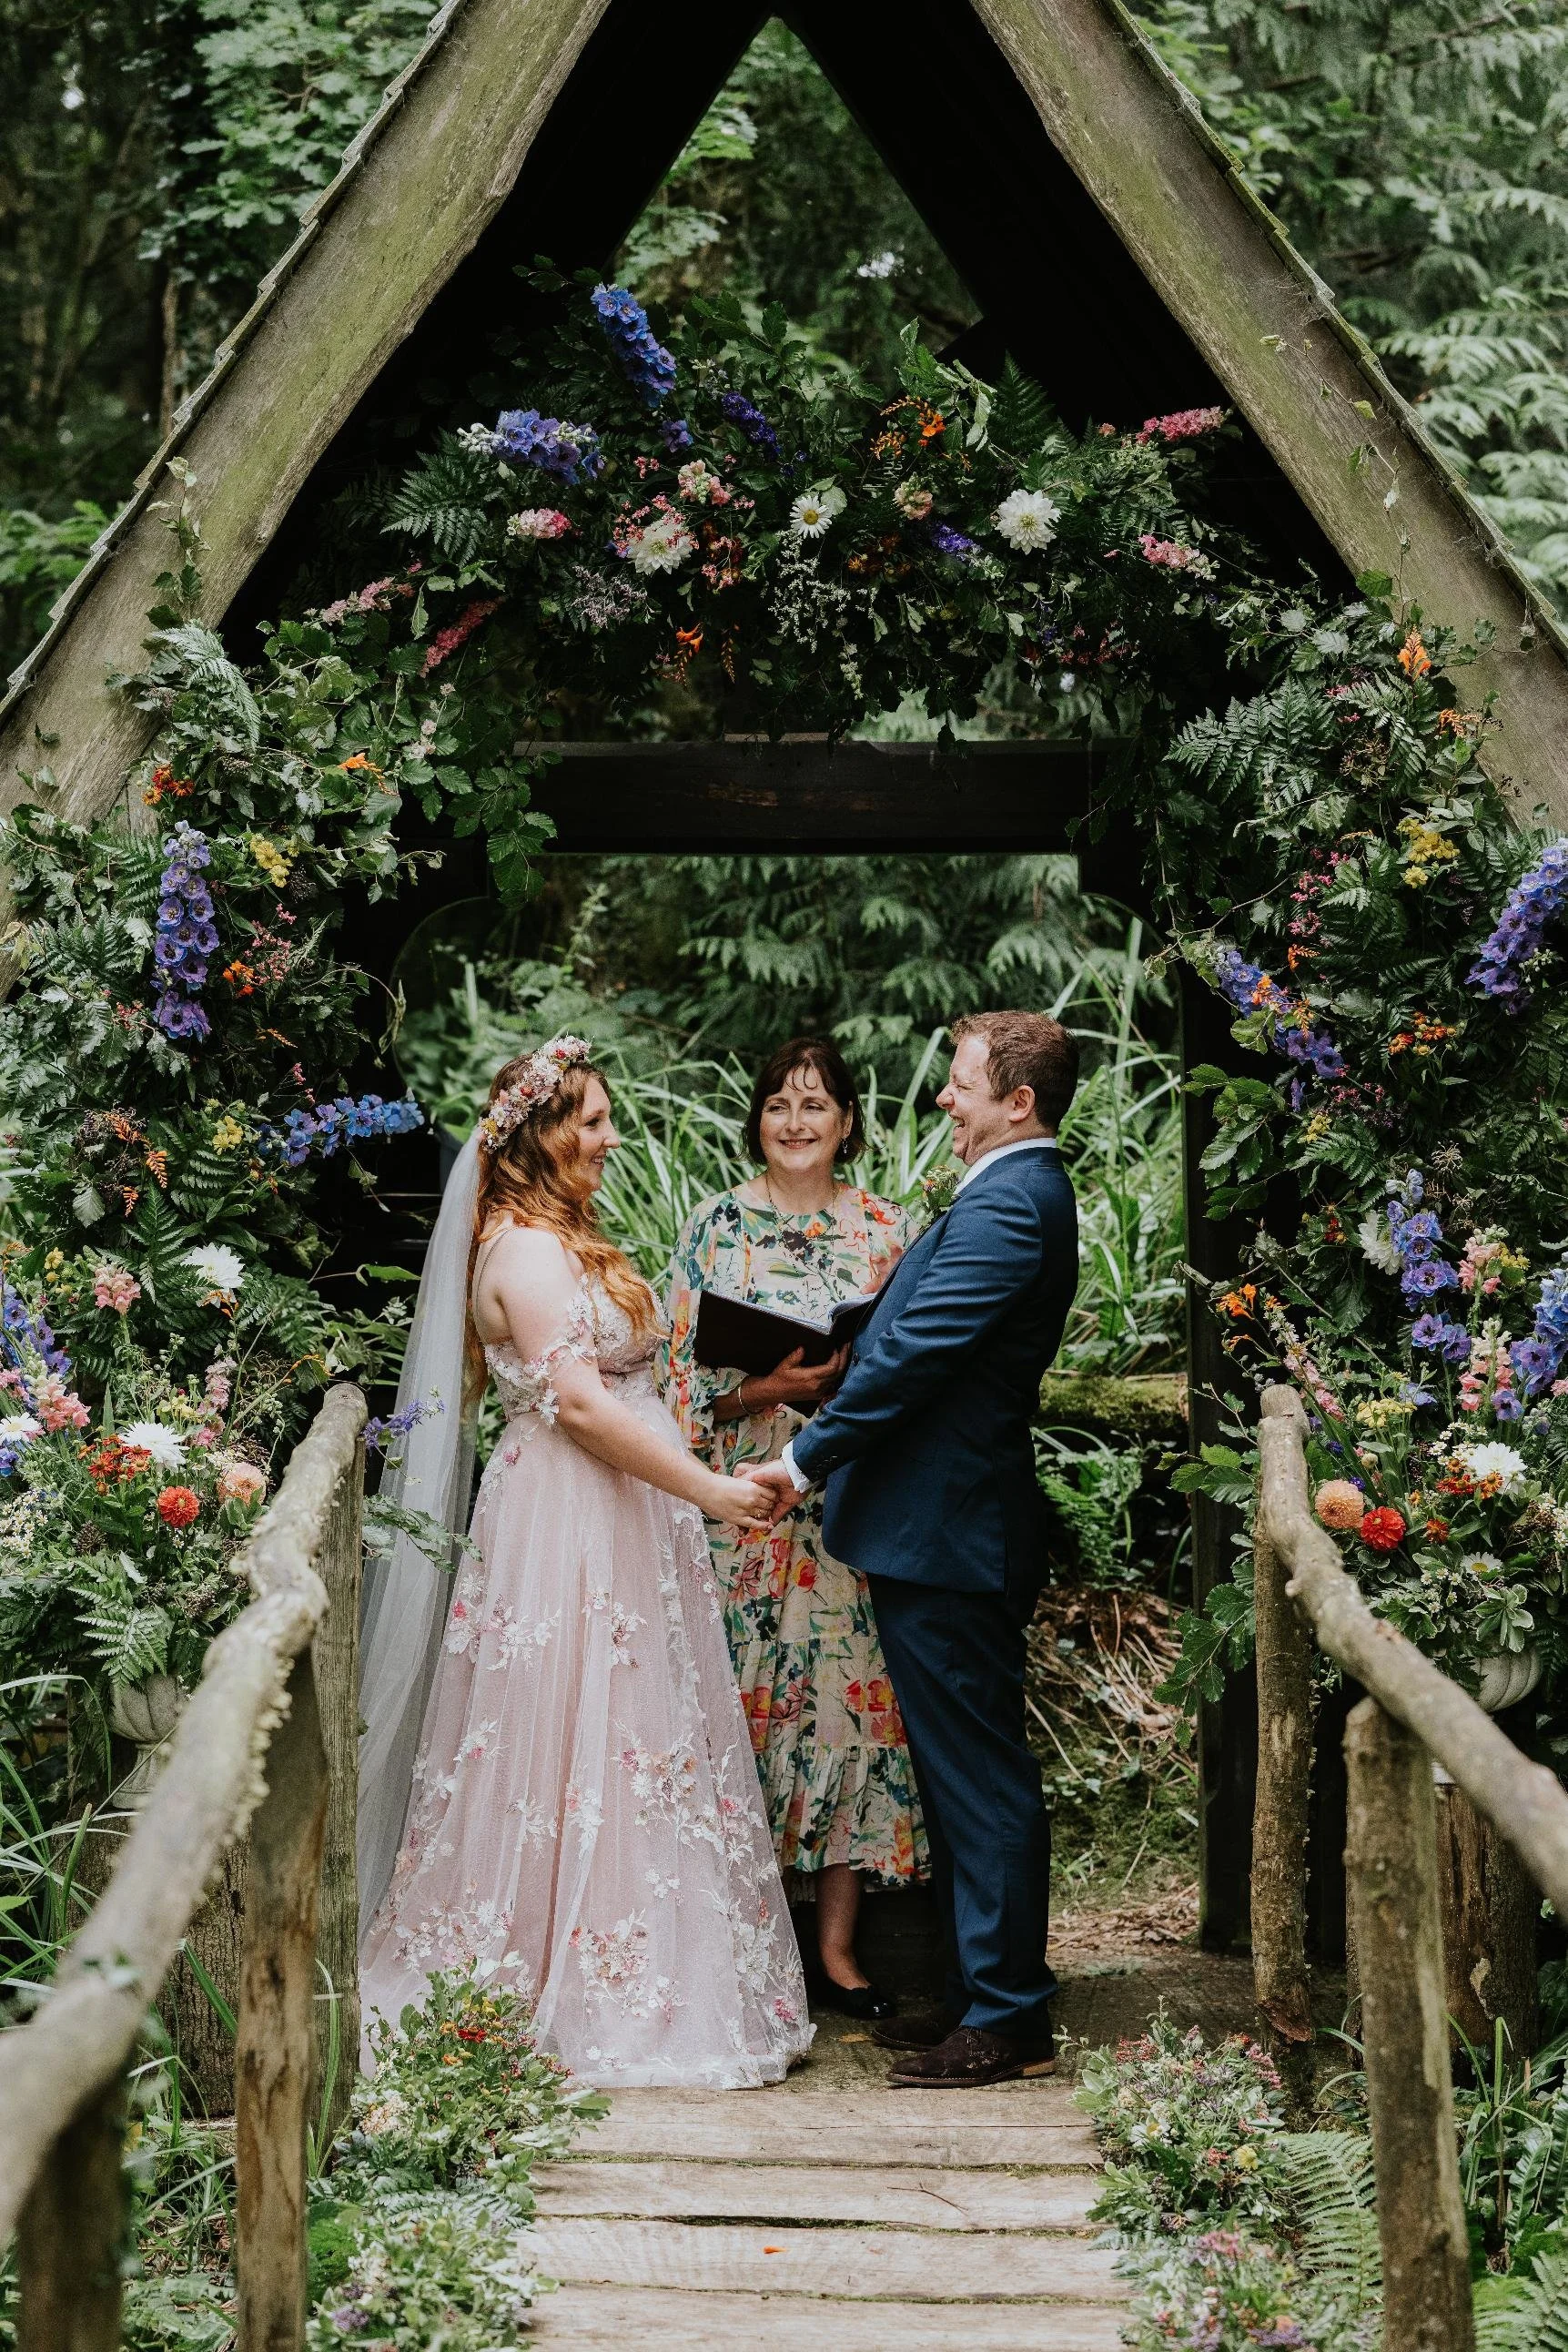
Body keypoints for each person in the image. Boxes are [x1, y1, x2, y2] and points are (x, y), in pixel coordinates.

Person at [358, 1037, 812, 2089]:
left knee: (633, 1740)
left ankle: (639, 1961)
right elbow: (579, 1404)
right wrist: (707, 1489)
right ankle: (558, 1978)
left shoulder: (563, 1237)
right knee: (568, 1734)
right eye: (593, 1121)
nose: (611, 1138)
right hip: (564, 1521)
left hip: (621, 1516)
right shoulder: (521, 1251)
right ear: (542, 1135)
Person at [747, 1010, 1079, 2088]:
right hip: (936, 1525)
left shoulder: (1015, 1202)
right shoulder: (1004, 1191)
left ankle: (1010, 2015)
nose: (943, 1096)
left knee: (979, 1776)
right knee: (954, 1773)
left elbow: (925, 1354)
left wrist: (802, 1460)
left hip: (950, 1528)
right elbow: (911, 1327)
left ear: (1016, 1101)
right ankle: (977, 1989)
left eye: (960, 1082)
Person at [663, 1038, 926, 2020]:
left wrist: (845, 1388)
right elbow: (671, 1383)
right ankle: (743, 1943)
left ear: (847, 1122)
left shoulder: (889, 1231)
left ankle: (839, 1951)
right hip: (741, 1508)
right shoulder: (714, 1224)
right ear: (757, 1121)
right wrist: (766, 1388)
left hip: (850, 1508)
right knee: (741, 1708)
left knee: (845, 1711)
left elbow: (918, 1364)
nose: (795, 1121)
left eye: (815, 1104)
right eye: (777, 1103)